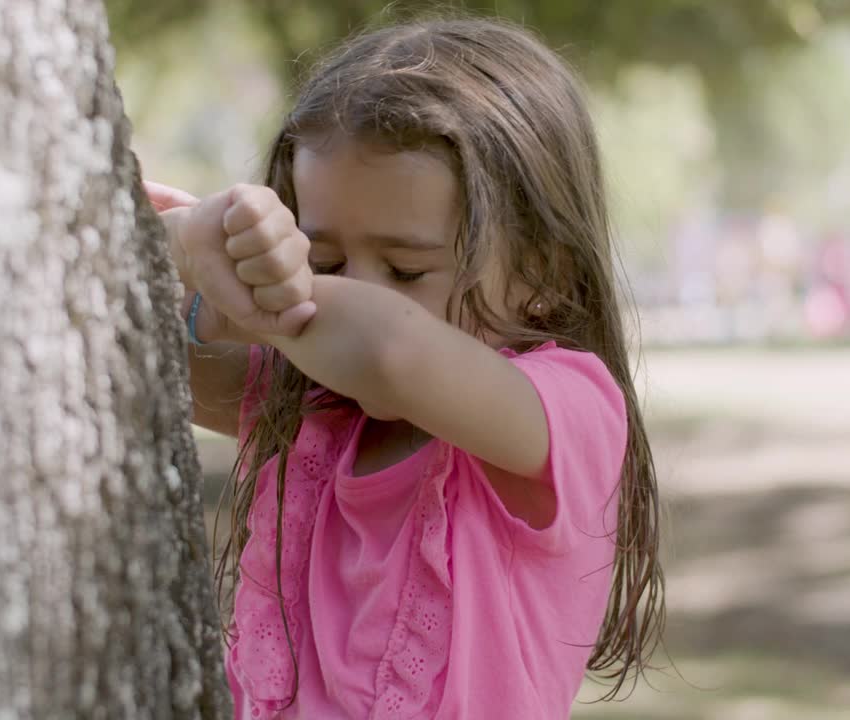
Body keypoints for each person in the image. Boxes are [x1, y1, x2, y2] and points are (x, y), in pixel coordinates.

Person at [149, 16, 664, 719]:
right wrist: (181, 247)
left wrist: (250, 288)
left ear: (543, 271)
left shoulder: (565, 407)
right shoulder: (318, 411)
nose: (355, 289)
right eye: (323, 259)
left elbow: (391, 351)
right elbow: (156, 367)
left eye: (405, 268)